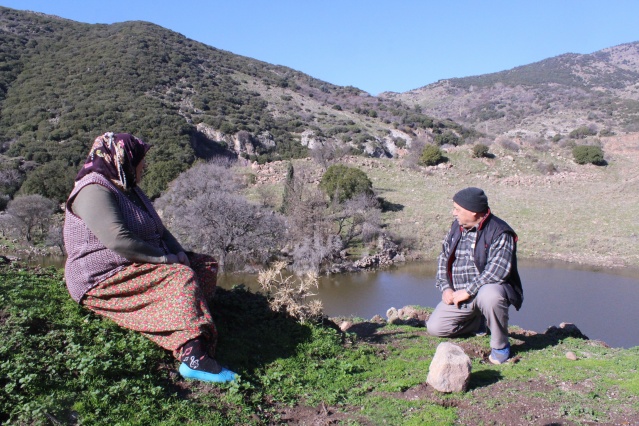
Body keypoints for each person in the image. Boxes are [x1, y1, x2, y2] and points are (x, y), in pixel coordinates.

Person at [63, 132, 236, 383]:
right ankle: (194, 357)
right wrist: (167, 261)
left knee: (203, 265)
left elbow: (160, 230)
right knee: (181, 277)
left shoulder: (128, 187)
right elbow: (118, 240)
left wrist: (180, 253)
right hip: (103, 276)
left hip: (136, 263)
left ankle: (192, 320)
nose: (144, 166)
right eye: (141, 160)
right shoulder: (92, 189)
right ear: (125, 158)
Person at [426, 187, 523, 364]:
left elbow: (497, 271)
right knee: (435, 328)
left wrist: (468, 291)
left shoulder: (500, 231)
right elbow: (443, 257)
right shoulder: (457, 227)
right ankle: (479, 323)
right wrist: (445, 287)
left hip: (484, 291)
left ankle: (500, 346)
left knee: (491, 295)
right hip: (460, 294)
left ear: (472, 212)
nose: (453, 213)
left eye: (457, 209)